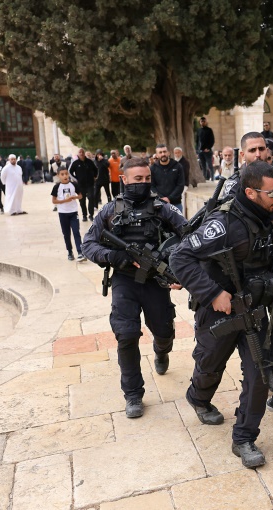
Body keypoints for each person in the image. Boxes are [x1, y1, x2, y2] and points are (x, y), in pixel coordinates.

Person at [172, 161, 273, 469]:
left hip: (254, 310)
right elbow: (180, 257)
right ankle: (198, 397)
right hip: (219, 313)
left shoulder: (267, 217)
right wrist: (212, 293)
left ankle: (244, 438)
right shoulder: (223, 224)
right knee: (210, 363)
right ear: (251, 192)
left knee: (260, 374)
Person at [82, 157, 187, 418]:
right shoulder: (109, 211)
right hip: (125, 280)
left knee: (163, 330)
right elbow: (88, 244)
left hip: (155, 281)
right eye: (137, 179)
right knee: (126, 334)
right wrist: (112, 256)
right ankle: (133, 395)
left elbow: (190, 235)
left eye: (147, 179)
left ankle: (162, 352)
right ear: (124, 180)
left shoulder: (164, 209)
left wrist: (178, 268)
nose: (142, 184)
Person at [51, 167, 85, 261]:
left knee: (76, 232)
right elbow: (54, 201)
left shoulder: (74, 184)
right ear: (58, 175)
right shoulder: (57, 187)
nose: (65, 176)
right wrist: (64, 200)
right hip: (63, 213)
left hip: (73, 212)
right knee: (66, 234)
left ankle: (80, 252)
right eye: (62, 174)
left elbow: (81, 196)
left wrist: (76, 197)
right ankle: (70, 252)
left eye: (66, 174)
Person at [150, 144, 186, 212]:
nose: (163, 154)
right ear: (157, 155)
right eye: (160, 152)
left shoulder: (178, 166)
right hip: (159, 203)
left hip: (176, 203)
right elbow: (152, 186)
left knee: (178, 222)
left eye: (164, 151)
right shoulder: (152, 168)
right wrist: (161, 198)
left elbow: (180, 185)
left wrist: (169, 198)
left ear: (168, 153)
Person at [69, 148, 97, 221]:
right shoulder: (75, 163)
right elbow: (70, 172)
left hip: (90, 184)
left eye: (82, 152)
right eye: (80, 152)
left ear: (84, 153)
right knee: (82, 200)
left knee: (91, 198)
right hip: (80, 185)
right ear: (78, 154)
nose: (81, 153)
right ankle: (84, 215)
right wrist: (75, 179)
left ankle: (91, 215)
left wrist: (95, 177)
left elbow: (96, 169)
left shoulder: (90, 162)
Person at [197, 117, 215, 181]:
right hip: (200, 151)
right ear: (200, 122)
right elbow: (197, 141)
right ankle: (204, 178)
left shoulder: (209, 130)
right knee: (203, 166)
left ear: (206, 122)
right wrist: (197, 150)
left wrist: (208, 148)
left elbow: (212, 140)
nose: (202, 123)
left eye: (204, 121)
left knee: (210, 165)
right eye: (201, 121)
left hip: (208, 151)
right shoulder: (199, 130)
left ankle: (212, 178)